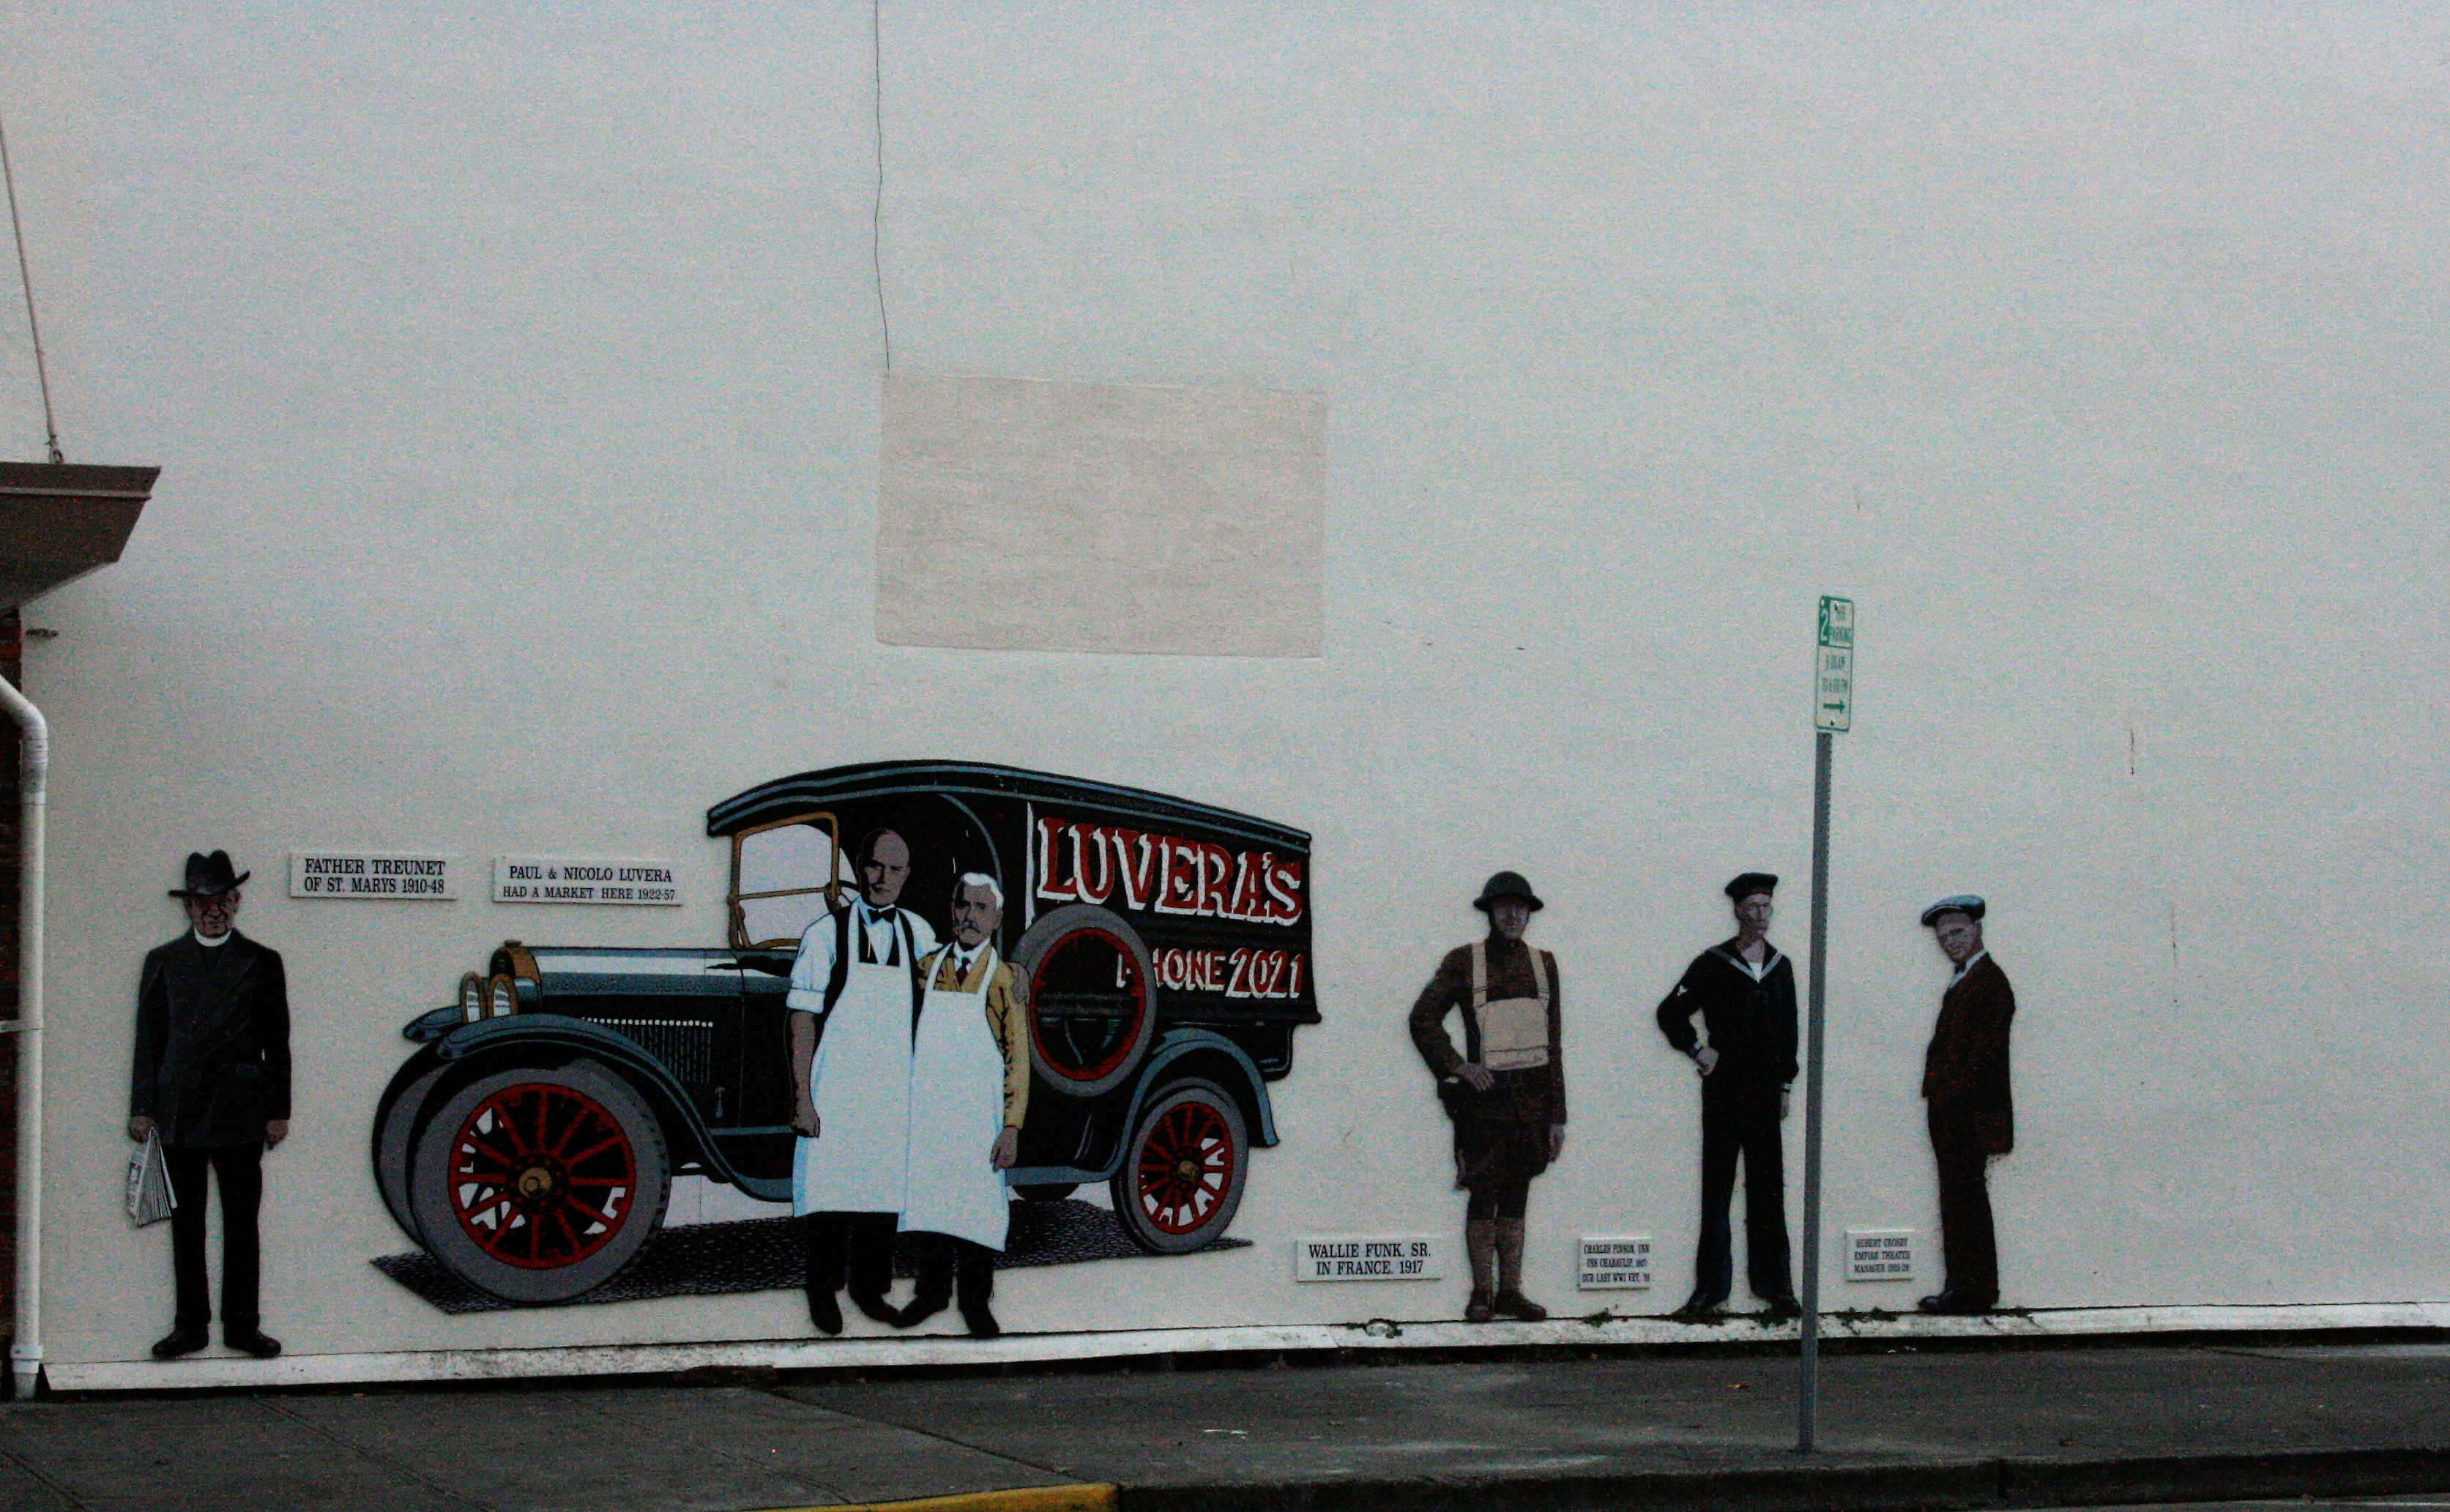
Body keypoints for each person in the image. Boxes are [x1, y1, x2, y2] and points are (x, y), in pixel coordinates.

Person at [127, 851, 290, 1360]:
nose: (212, 910)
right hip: (181, 1109)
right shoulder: (163, 960)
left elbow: (278, 1040)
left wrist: (278, 1110)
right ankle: (191, 1327)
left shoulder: (262, 961)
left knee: (242, 1224)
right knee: (187, 1224)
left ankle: (242, 1327)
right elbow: (148, 1038)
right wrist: (142, 1106)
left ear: (237, 901)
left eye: (221, 900)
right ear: (188, 908)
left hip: (242, 1108)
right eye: (202, 902)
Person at [787, 828, 937, 1334]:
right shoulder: (824, 935)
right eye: (874, 865)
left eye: (894, 869)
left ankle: (869, 1290)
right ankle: (822, 1291)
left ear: (907, 875)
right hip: (836, 1088)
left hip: (894, 1089)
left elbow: (952, 990)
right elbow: (802, 1020)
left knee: (883, 1191)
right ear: (860, 866)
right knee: (830, 1193)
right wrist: (804, 1099)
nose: (882, 878)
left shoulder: (920, 933)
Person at [1409, 871, 1566, 1323]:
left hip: (1533, 1102)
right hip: (1487, 1104)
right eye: (1503, 907)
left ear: (1529, 913)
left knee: (1518, 1193)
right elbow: (1423, 1019)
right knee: (1483, 1192)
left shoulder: (1544, 963)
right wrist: (1459, 1067)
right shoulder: (1465, 961)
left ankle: (1510, 1293)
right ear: (1491, 912)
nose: (1512, 915)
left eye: (1520, 908)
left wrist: (1558, 1116)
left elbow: (1554, 1045)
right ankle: (1482, 1293)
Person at [1656, 871, 1800, 1317]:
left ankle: (1777, 1287)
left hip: (1765, 1090)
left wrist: (1785, 1084)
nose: (1760, 915)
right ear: (1738, 911)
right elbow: (1670, 1011)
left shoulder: (1781, 966)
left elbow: (1790, 1032)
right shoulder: (1713, 962)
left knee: (1768, 1188)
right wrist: (1697, 1049)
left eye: (1766, 906)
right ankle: (1711, 1290)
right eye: (1752, 907)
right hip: (1724, 1089)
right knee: (1717, 1188)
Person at [895, 873, 1032, 1338]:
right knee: (932, 1203)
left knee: (976, 1209)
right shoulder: (928, 967)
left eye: (981, 907)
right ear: (952, 911)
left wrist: (1011, 1127)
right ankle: (931, 1294)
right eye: (963, 905)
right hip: (931, 1114)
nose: (970, 916)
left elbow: (1017, 1060)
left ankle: (975, 1302)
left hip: (979, 1119)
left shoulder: (1003, 979)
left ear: (997, 918)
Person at [1917, 895, 2015, 1315]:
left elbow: (1982, 1056)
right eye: (1943, 937)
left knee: (1965, 1199)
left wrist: (1952, 1095)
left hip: (1967, 1113)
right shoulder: (1966, 979)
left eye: (1957, 932)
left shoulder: (1989, 981)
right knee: (1958, 1197)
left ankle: (1971, 1289)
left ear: (1977, 929)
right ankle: (1964, 1285)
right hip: (1952, 1109)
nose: (1950, 942)